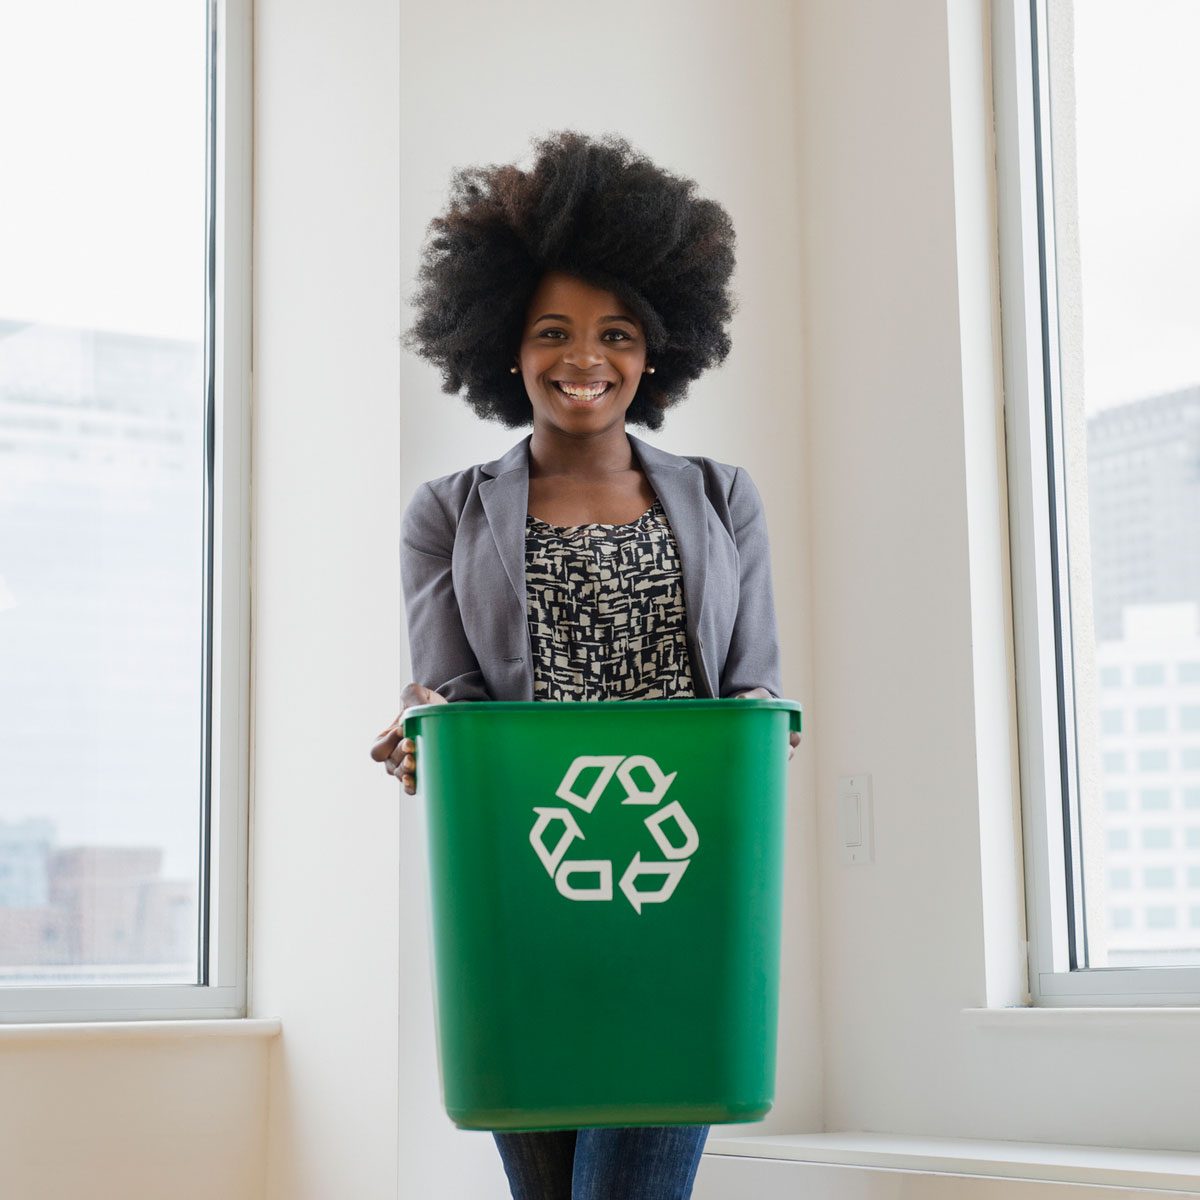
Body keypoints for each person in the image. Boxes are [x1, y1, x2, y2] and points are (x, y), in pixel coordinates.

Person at [370, 129, 799, 1200]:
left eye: (614, 333)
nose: (583, 359)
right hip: (529, 899)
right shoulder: (445, 514)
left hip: (681, 895)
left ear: (657, 348)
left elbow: (754, 696)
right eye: (551, 331)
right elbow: (457, 694)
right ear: (504, 347)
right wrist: (423, 727)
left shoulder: (722, 499)